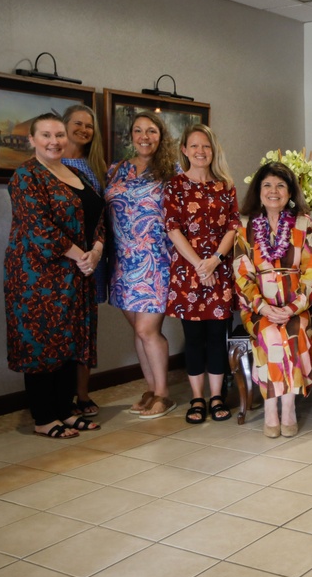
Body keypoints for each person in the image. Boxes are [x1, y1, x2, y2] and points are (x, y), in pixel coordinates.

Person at [4, 114, 104, 438]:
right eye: (45, 135)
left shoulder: (75, 172)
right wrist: (81, 257)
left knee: (70, 342)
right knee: (41, 343)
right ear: (31, 140)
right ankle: (44, 417)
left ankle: (65, 410)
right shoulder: (25, 176)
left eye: (59, 134)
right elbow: (38, 227)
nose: (54, 141)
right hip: (37, 276)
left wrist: (97, 251)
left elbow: (99, 214)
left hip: (78, 272)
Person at [234, 162, 312, 438]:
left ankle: (289, 406)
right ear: (258, 191)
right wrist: (264, 307)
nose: (274, 191)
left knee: (293, 333)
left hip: (297, 305)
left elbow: (310, 273)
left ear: (290, 191)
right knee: (271, 336)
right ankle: (272, 407)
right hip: (257, 308)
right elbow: (242, 274)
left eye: (281, 185)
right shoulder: (244, 226)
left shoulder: (304, 223)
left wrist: (292, 308)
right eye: (267, 185)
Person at [105, 112, 180, 419]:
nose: (144, 136)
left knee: (149, 330)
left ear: (161, 136)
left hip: (156, 261)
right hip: (122, 262)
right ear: (131, 136)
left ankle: (164, 393)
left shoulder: (171, 171)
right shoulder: (116, 169)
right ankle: (150, 389)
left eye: (151, 131)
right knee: (138, 331)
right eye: (138, 131)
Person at [164, 124, 240, 425]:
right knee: (193, 338)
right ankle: (197, 398)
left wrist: (215, 260)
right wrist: (200, 264)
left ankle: (217, 396)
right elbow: (173, 229)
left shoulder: (226, 185)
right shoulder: (175, 186)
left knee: (217, 337)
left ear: (213, 150)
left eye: (206, 146)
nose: (200, 151)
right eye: (194, 146)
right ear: (184, 150)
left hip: (219, 271)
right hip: (188, 272)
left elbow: (233, 227)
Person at [61, 104, 108, 418]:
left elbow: (103, 214)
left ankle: (82, 394)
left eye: (88, 125)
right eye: (77, 123)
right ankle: (59, 399)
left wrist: (97, 250)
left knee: (86, 328)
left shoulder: (98, 166)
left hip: (93, 256)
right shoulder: (51, 164)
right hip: (61, 259)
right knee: (62, 328)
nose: (83, 129)